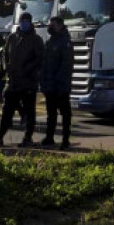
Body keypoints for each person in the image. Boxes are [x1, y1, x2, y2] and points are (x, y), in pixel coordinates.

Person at [0, 12, 43, 147]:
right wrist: (6, 67)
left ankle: (28, 137)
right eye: (22, 21)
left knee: (29, 111)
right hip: (13, 81)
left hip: (28, 81)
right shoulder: (12, 37)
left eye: (26, 21)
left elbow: (39, 59)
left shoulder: (36, 39)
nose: (24, 23)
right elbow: (5, 54)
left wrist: (26, 70)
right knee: (7, 111)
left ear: (30, 22)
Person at [39, 17, 74, 149]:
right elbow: (44, 64)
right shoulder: (50, 42)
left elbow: (66, 66)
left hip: (61, 87)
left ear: (59, 25)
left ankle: (65, 140)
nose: (50, 28)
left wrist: (59, 84)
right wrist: (43, 82)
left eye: (52, 25)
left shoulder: (65, 42)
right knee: (51, 114)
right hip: (49, 86)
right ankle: (49, 137)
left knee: (65, 114)